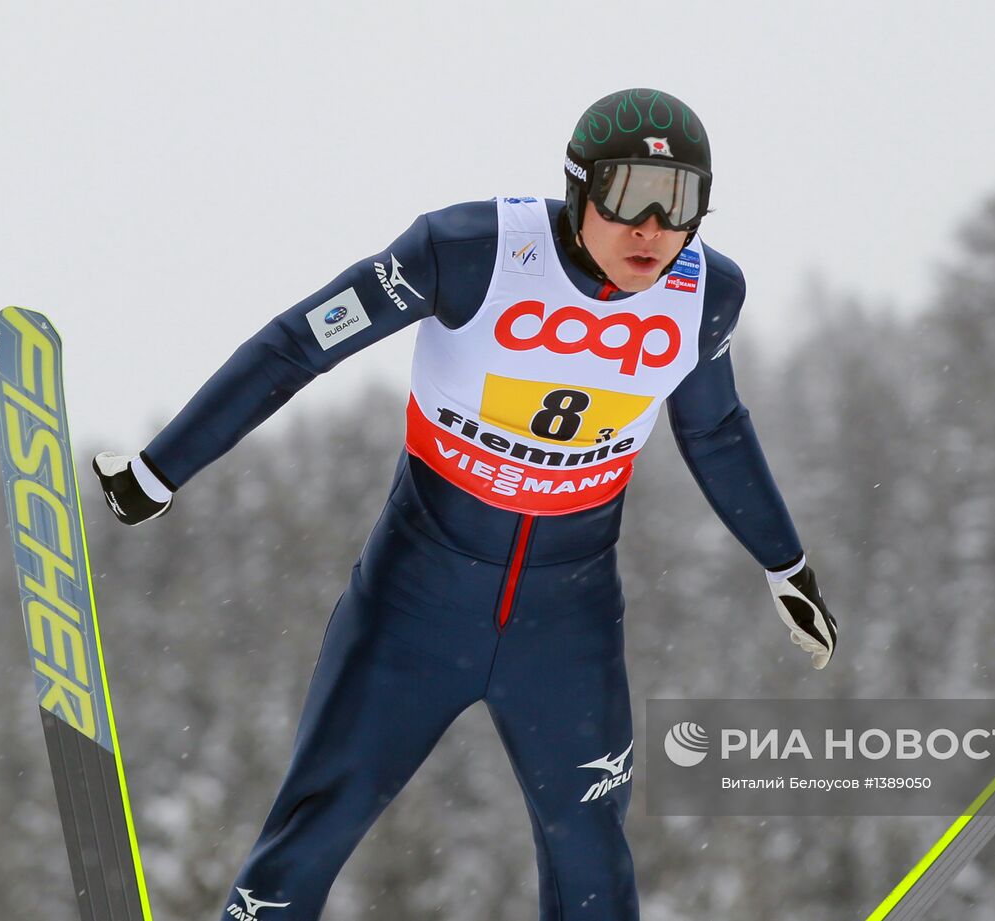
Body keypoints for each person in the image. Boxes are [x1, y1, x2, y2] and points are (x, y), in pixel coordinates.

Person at [93, 87, 838, 921]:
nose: (653, 228)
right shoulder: (468, 251)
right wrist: (161, 468)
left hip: (568, 622)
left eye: (682, 203)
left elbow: (715, 430)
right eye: (630, 194)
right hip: (416, 603)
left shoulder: (705, 294)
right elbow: (303, 341)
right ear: (579, 188)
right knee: (315, 827)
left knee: (591, 858)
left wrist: (786, 564)